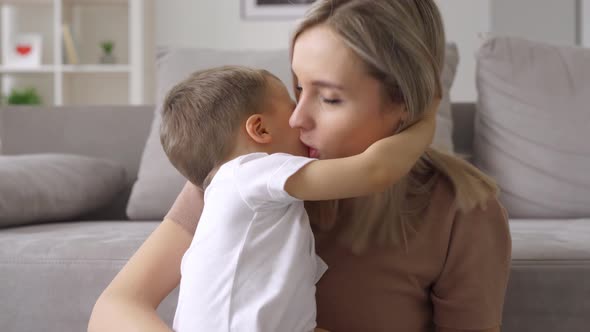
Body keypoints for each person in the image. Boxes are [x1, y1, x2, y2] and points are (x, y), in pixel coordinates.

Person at [88, 1, 511, 332]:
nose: (296, 119)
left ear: (406, 102)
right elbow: (116, 307)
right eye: (296, 87)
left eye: (328, 98)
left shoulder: (462, 209)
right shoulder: (244, 170)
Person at [160, 65, 436, 332]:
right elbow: (375, 171)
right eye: (293, 108)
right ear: (260, 129)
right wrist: (424, 121)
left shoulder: (232, 198)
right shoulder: (249, 172)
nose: (301, 119)